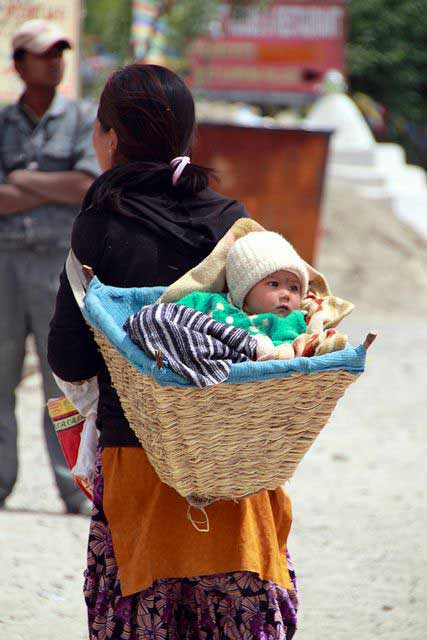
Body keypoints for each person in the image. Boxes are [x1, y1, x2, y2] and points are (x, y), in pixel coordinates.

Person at [48, 64, 298, 639]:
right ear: (185, 137)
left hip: (139, 459)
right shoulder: (234, 225)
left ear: (111, 138)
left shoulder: (98, 227)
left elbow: (71, 359)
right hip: (233, 460)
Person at [0, 19, 99, 514]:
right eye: (43, 54)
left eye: (60, 52)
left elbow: (87, 185)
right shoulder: (1, 122)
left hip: (62, 268)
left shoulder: (82, 118)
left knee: (66, 379)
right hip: (4, 265)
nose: (56, 61)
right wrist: (50, 184)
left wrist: (19, 179)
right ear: (19, 64)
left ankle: (72, 487)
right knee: (1, 377)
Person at [175, 230, 310, 361]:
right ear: (244, 289)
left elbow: (286, 351)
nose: (286, 294)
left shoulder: (292, 320)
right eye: (274, 284)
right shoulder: (212, 303)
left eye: (294, 288)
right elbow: (172, 315)